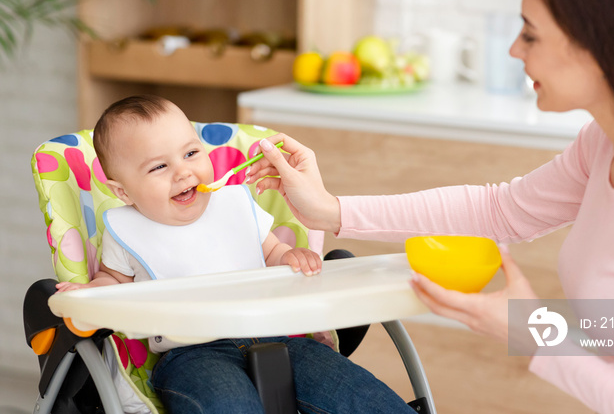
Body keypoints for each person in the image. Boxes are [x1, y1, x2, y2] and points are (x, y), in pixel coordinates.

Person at [244, 0, 614, 412]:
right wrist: (331, 210)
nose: (513, 50)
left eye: (530, 35)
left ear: (603, 47)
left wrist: (532, 330)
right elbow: (499, 210)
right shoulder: (605, 145)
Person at [55, 95, 417, 414]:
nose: (183, 171)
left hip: (279, 336)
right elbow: (114, 279)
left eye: (191, 153)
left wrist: (291, 257)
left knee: (362, 396)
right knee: (229, 407)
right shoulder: (124, 230)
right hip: (194, 354)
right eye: (159, 167)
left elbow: (272, 250)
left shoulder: (235, 203)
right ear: (123, 192)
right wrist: (92, 291)